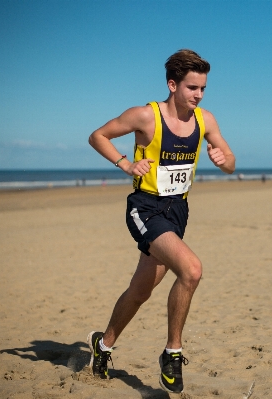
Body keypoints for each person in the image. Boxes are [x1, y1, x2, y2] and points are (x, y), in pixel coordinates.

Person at [86, 49, 235, 394]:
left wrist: (221, 158)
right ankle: (172, 353)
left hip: (178, 212)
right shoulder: (145, 116)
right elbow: (98, 136)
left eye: (203, 89)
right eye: (192, 88)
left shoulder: (206, 121)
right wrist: (126, 164)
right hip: (146, 208)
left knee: (140, 291)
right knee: (192, 270)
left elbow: (230, 162)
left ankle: (102, 345)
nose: (198, 95)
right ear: (173, 84)